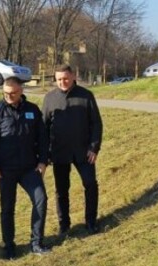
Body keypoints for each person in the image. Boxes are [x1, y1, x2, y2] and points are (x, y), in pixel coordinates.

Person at [0, 77, 50, 259]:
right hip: (5, 170)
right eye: (5, 93)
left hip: (29, 168)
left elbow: (43, 138)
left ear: (21, 91)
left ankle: (36, 242)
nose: (9, 96)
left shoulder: (32, 110)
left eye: (12, 93)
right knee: (7, 208)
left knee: (41, 200)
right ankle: (9, 246)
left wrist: (43, 161)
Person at [42, 64, 104, 236]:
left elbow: (96, 124)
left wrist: (94, 148)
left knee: (90, 184)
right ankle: (64, 225)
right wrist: (45, 153)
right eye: (59, 79)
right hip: (59, 152)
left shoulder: (86, 96)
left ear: (73, 76)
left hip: (84, 152)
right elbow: (44, 127)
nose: (63, 82)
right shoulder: (49, 98)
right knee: (61, 190)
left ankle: (91, 221)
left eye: (66, 78)